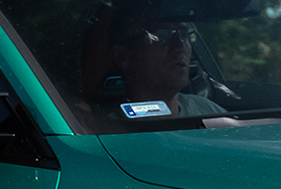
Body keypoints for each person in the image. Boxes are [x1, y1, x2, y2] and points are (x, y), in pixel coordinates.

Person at [97, 16, 227, 118]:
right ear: (122, 56)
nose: (180, 46)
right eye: (162, 35)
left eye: (183, 35)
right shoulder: (105, 131)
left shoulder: (209, 111)